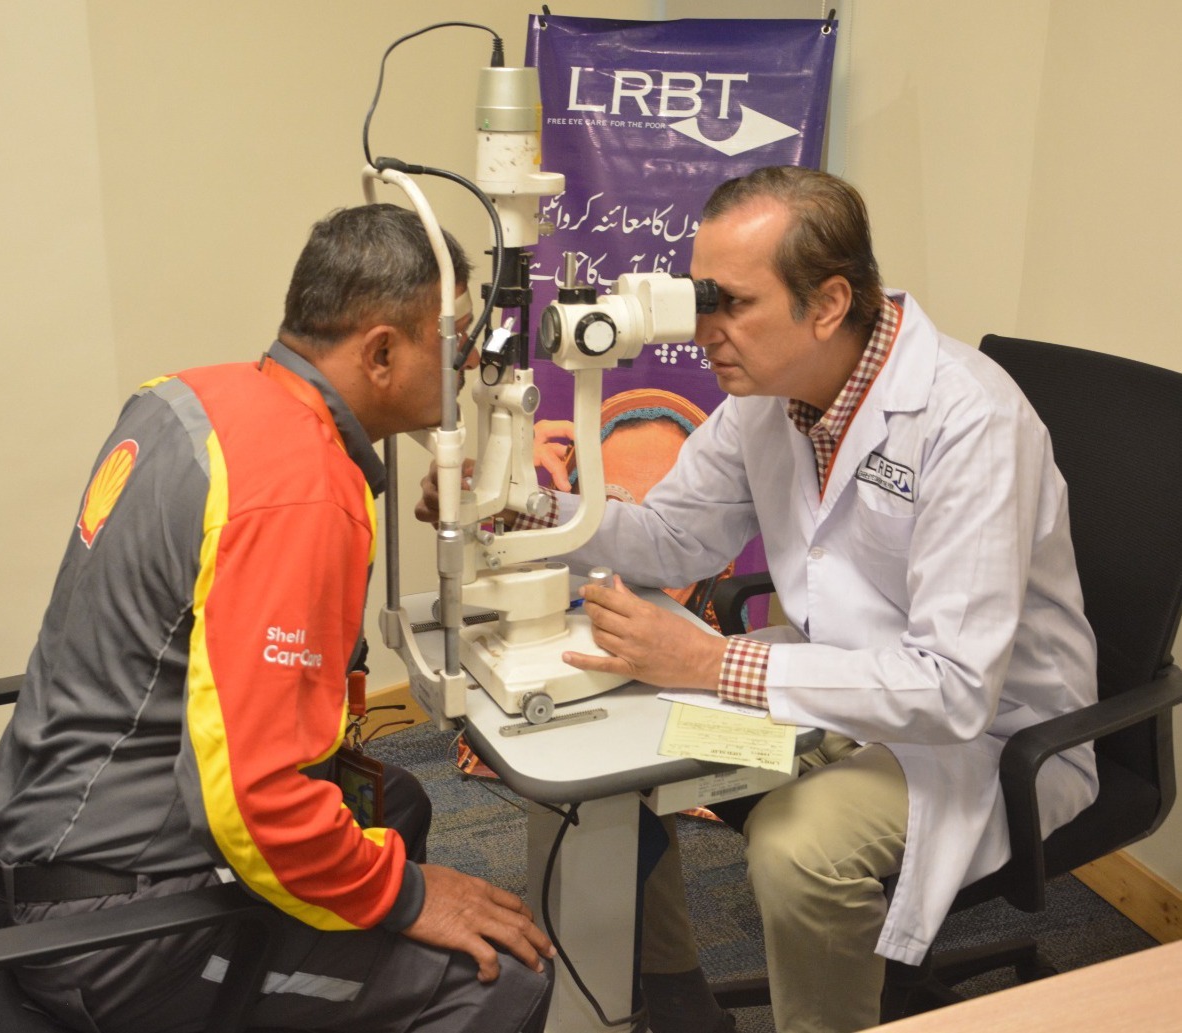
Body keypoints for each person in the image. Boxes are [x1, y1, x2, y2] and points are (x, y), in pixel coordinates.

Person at [420, 166, 1099, 1033]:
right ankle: (676, 998)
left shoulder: (971, 422)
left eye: (730, 303)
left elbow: (953, 686)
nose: (703, 330)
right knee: (610, 759)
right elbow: (671, 536)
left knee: (796, 848)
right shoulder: (771, 394)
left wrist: (717, 663)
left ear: (828, 304)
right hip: (834, 683)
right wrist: (521, 505)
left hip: (983, 736)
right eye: (698, 297)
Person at [0, 203, 554, 1033]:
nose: (466, 363)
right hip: (109, 931)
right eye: (455, 339)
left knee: (399, 805)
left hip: (43, 820)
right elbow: (259, 803)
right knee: (501, 980)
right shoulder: (300, 494)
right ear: (381, 351)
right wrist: (409, 896)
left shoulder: (190, 401)